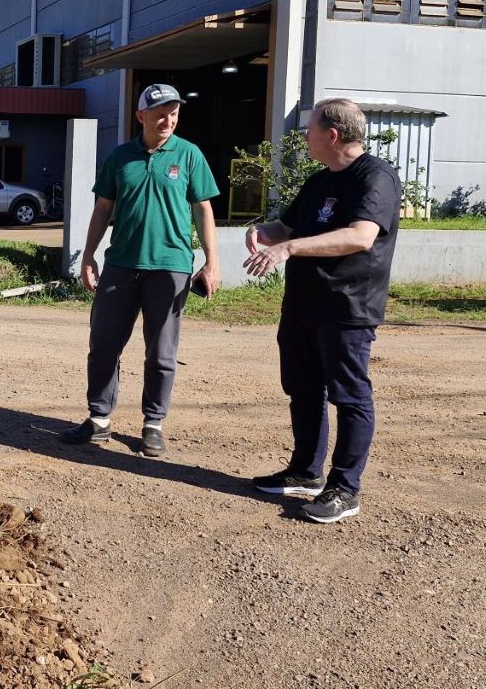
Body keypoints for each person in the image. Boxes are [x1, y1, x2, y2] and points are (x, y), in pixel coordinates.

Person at [244, 97, 400, 524]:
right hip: (302, 304)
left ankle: (345, 489)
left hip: (347, 307)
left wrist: (288, 248)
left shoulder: (376, 177)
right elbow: (287, 228)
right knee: (304, 388)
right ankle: (307, 472)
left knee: (350, 397)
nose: (304, 136)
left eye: (309, 129)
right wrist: (262, 232)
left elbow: (360, 236)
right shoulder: (318, 182)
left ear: (332, 135)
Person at [62, 84, 220, 457]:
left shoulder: (190, 155)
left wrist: (212, 262)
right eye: (160, 113)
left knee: (161, 353)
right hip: (120, 265)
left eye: (174, 113)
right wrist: (88, 256)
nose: (168, 120)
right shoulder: (120, 157)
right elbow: (103, 209)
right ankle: (99, 420)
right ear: (141, 116)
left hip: (171, 267)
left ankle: (153, 424)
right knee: (103, 345)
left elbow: (203, 210)